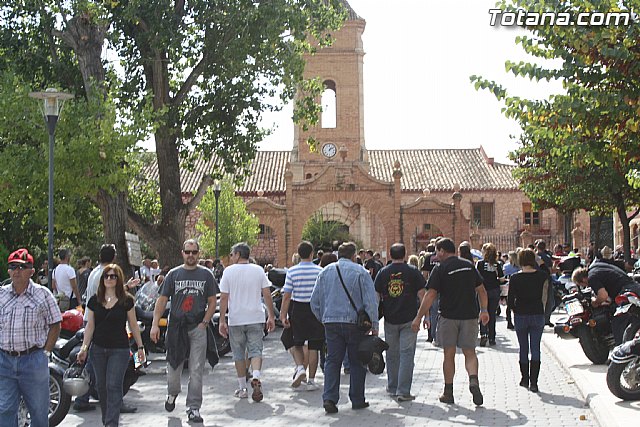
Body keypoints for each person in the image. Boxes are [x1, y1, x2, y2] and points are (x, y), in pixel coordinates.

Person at [411, 238, 489, 406]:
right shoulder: (469, 266)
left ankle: (448, 392)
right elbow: (481, 289)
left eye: (437, 251)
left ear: (442, 251)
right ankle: (473, 380)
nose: (436, 255)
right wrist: (484, 310)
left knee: (449, 354)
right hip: (469, 316)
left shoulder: (440, 269)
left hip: (448, 317)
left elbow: (430, 295)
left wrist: (419, 316)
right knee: (470, 352)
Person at [151, 239, 217, 424]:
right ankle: (172, 393)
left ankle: (193, 408)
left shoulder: (206, 275)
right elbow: (162, 301)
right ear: (182, 253)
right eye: (187, 252)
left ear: (198, 253)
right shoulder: (173, 274)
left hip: (197, 327)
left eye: (194, 252)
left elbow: (212, 301)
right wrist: (155, 324)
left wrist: (204, 322)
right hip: (176, 327)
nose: (190, 255)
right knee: (173, 367)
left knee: (196, 369)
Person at [310, 242, 379, 414]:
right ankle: (357, 399)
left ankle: (330, 398)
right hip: (355, 324)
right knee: (357, 360)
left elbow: (314, 301)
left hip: (331, 323)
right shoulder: (361, 272)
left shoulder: (324, 272)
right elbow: (370, 301)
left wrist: (323, 318)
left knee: (333, 360)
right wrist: (374, 324)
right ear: (354, 255)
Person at [0, 248, 62, 427]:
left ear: (32, 271)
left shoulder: (43, 294)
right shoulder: (1, 294)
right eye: (13, 267)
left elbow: (55, 323)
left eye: (22, 267)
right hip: (4, 361)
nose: (16, 271)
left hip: (33, 360)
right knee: (4, 409)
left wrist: (46, 352)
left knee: (39, 411)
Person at [77, 264, 144, 427]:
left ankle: (111, 423)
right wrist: (84, 348)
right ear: (102, 280)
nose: (109, 279)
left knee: (113, 385)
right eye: (106, 276)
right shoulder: (94, 300)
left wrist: (141, 348)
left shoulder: (126, 300)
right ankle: (107, 419)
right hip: (98, 349)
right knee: (102, 387)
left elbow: (133, 325)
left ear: (118, 279)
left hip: (119, 349)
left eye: (113, 276)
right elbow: (90, 326)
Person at [218, 242, 276, 402]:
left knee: (238, 353)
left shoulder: (228, 272)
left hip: (236, 318)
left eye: (231, 254)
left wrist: (222, 319)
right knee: (256, 350)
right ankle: (256, 375)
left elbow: (223, 297)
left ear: (237, 254)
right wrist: (271, 316)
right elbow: (267, 294)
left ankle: (242, 388)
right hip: (255, 317)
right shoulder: (258, 270)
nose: (230, 257)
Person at [374, 243, 426, 401]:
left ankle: (392, 386)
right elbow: (422, 295)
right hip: (409, 319)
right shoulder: (413, 272)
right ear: (405, 255)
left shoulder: (383, 273)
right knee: (407, 354)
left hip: (390, 319)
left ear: (390, 255)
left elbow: (375, 298)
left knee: (392, 354)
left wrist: (374, 319)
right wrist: (424, 316)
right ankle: (403, 391)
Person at [75, 243, 118, 412]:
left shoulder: (95, 272)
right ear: (114, 257)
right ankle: (83, 397)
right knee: (94, 361)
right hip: (99, 321)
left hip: (92, 319)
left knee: (94, 360)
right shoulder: (106, 274)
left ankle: (85, 397)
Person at [280, 241, 324, 390]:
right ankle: (311, 380)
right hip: (315, 310)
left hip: (298, 308)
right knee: (314, 346)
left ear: (298, 254)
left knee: (297, 343)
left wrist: (283, 315)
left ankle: (300, 368)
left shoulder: (292, 271)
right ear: (312, 254)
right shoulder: (320, 271)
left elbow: (287, 296)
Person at [507, 248, 548, 392]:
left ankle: (524, 378)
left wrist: (514, 310)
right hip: (537, 313)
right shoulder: (542, 276)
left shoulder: (515, 278)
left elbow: (510, 299)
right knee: (535, 348)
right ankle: (534, 382)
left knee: (523, 348)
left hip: (521, 314)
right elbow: (547, 295)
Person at [572, 262, 639, 345]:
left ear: (583, 280)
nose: (586, 286)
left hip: (625, 292)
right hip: (634, 287)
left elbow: (603, 295)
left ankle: (623, 351)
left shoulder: (592, 277)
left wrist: (595, 302)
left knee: (618, 322)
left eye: (582, 285)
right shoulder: (597, 266)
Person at [476, 243, 505, 346]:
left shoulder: (479, 263)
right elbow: (501, 279)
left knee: (483, 311)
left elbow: (477, 278)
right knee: (492, 314)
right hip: (494, 290)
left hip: (483, 291)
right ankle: (492, 337)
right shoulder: (497, 264)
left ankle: (483, 334)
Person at [502, 250, 521, 330]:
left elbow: (502, 276)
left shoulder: (506, 266)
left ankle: (509, 321)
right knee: (517, 303)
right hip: (518, 287)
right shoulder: (519, 267)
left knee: (509, 305)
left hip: (508, 286)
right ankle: (517, 321)